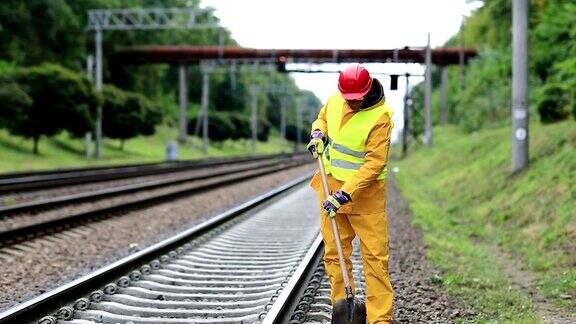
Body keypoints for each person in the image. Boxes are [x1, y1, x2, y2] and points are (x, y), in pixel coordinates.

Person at [307, 63, 394, 323]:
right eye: (349, 99)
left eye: (357, 100)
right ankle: (343, 309)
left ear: (367, 91)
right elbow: (322, 118)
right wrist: (318, 132)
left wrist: (345, 194)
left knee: (376, 261)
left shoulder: (381, 117)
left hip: (366, 198)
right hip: (331, 188)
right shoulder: (335, 101)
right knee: (334, 254)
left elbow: (374, 163)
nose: (352, 103)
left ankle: (380, 319)